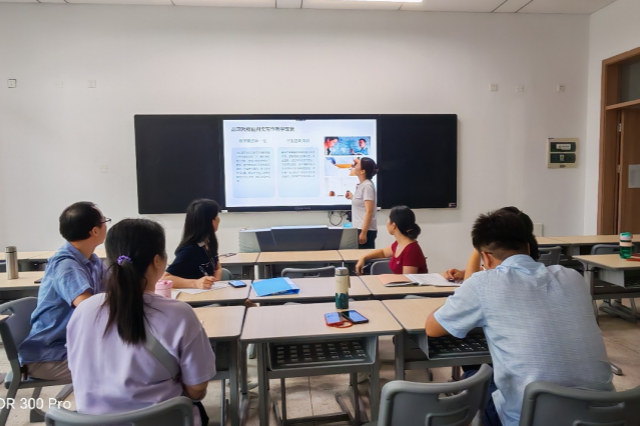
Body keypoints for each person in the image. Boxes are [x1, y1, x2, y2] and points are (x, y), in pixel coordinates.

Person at [425, 209, 613, 426]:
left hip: (530, 418)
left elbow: (433, 328)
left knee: (474, 375)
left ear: (486, 256)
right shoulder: (573, 277)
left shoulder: (483, 283)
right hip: (604, 416)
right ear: (528, 246)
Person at [67, 218, 216, 426]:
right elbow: (196, 389)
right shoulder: (179, 314)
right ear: (157, 261)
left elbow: (77, 369)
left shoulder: (84, 309)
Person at [18, 202, 108, 381]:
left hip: (70, 347)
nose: (107, 225)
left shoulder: (91, 259)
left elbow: (116, 285)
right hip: (49, 356)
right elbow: (87, 307)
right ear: (95, 231)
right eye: (105, 221)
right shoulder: (66, 265)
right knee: (122, 365)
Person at [444, 206, 540, 281]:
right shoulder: (534, 264)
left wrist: (481, 243)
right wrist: (463, 273)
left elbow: (469, 283)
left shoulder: (491, 280)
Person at [164, 199, 223, 289]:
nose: (219, 219)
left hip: (209, 292)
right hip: (194, 295)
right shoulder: (189, 250)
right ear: (207, 222)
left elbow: (217, 268)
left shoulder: (209, 244)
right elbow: (164, 278)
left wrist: (215, 283)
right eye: (216, 216)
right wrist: (195, 283)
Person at [355, 206, 427, 274]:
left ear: (393, 225)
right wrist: (363, 258)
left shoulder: (411, 250)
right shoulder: (399, 244)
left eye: (388, 219)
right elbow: (383, 252)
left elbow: (408, 279)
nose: (386, 222)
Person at [345, 157, 377, 249]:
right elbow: (362, 203)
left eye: (358, 164)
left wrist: (364, 232)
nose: (354, 166)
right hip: (359, 228)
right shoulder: (362, 185)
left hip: (365, 230)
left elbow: (369, 211)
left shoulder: (367, 186)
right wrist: (352, 197)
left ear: (363, 171)